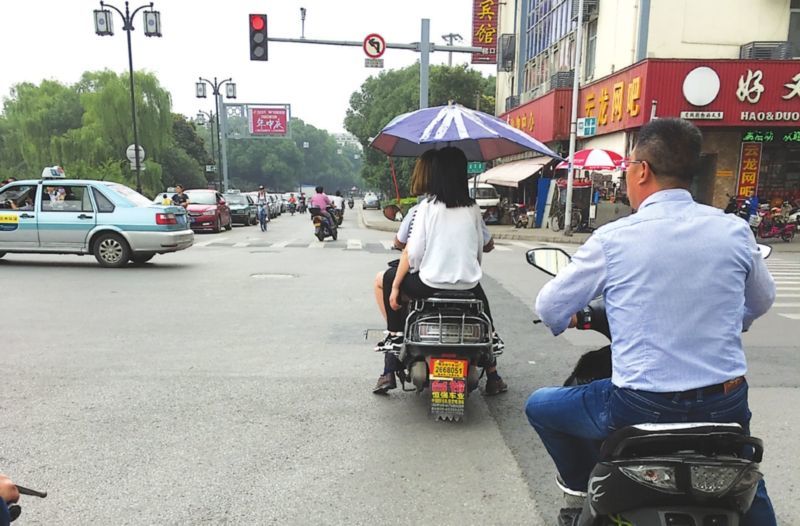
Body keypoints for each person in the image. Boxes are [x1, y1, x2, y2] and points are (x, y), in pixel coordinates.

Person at [525, 118, 776, 525]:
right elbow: (761, 302)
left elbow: (549, 306)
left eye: (628, 165)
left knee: (540, 406)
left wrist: (570, 315)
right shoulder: (734, 231)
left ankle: (582, 489)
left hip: (640, 405)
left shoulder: (614, 238)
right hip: (724, 402)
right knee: (744, 474)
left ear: (642, 170)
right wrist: (734, 321)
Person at [374, 147, 507, 396]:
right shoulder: (472, 208)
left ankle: (395, 335)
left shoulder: (427, 208)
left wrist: (395, 289)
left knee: (390, 277)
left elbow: (412, 254)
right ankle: (492, 367)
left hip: (430, 284)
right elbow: (480, 248)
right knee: (484, 310)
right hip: (468, 285)